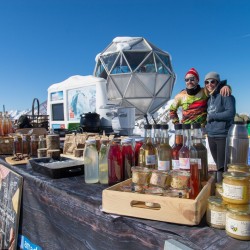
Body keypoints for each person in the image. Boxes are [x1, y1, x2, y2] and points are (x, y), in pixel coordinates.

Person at [205, 72, 236, 182]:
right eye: (207, 82)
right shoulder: (209, 98)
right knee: (218, 164)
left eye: (212, 81)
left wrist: (213, 116)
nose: (209, 84)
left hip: (222, 135)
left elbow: (230, 113)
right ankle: (220, 187)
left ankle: (222, 189)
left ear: (217, 82)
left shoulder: (225, 94)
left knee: (223, 166)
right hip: (211, 135)